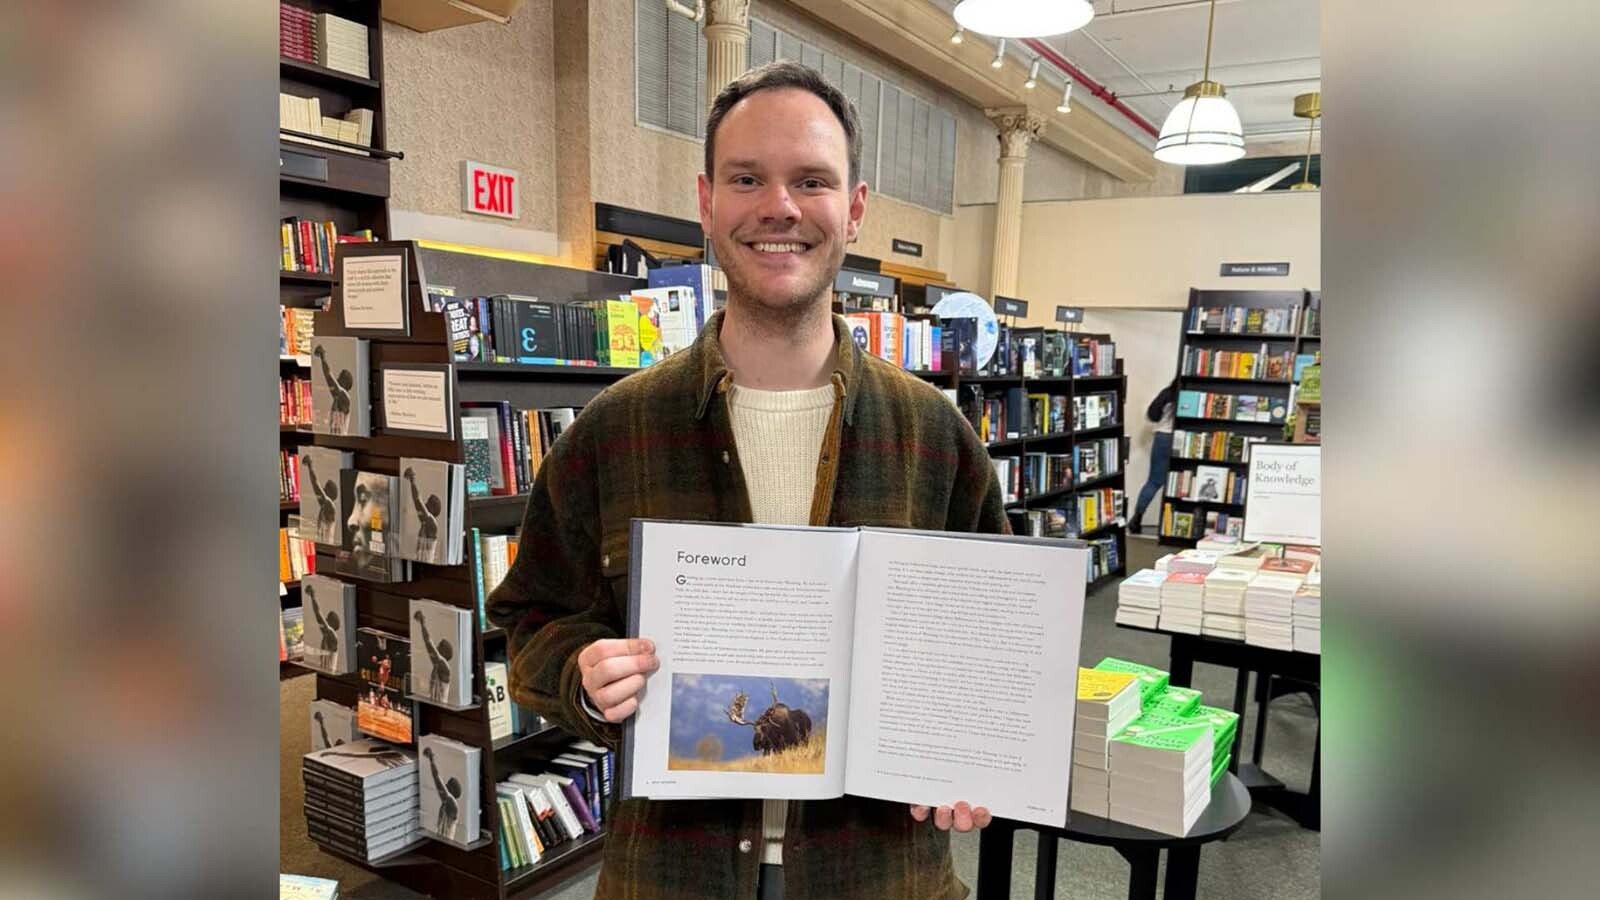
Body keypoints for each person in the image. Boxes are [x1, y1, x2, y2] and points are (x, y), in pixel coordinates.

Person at [487, 61, 1006, 900]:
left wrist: (973, 747)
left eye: (812, 180)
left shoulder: (935, 439)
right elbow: (530, 619)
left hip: (877, 874)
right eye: (747, 179)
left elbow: (988, 650)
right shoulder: (615, 432)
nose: (781, 208)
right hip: (675, 873)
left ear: (856, 207)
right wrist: (580, 670)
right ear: (706, 201)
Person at [1129, 377, 1178, 535]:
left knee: (1154, 481)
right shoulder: (1192, 393)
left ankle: (1137, 518)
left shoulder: (1168, 393)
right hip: (1183, 438)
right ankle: (1173, 526)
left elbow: (1152, 414)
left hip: (1163, 437)